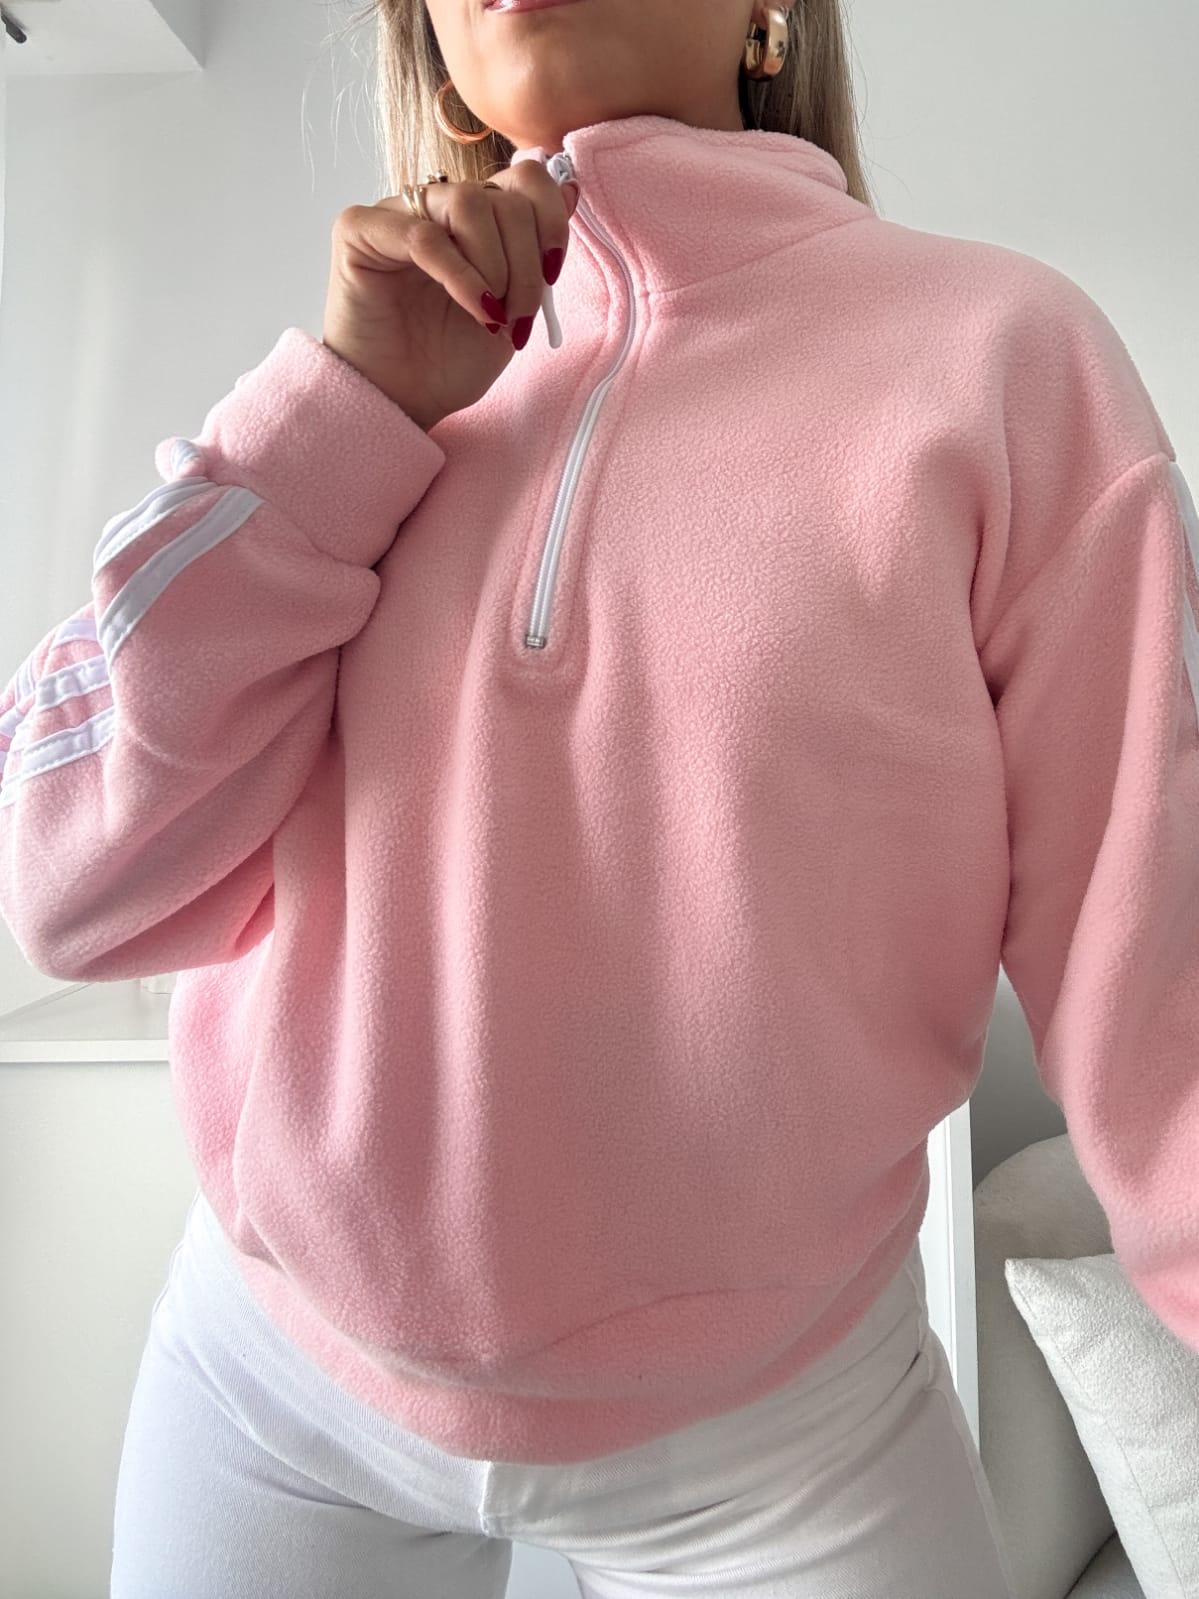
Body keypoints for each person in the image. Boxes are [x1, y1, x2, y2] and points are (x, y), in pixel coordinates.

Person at [1, 1, 1196, 1595]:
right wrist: (343, 414)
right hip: (273, 1394)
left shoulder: (1005, 362)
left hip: (783, 1447)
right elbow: (68, 887)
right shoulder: (371, 381)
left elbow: (1160, 976)